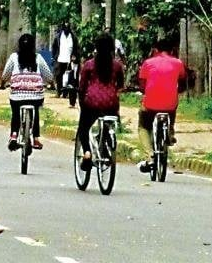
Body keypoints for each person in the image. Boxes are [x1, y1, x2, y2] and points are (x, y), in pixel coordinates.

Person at [137, 38, 187, 173]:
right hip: (170, 104)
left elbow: (142, 86)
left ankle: (150, 155)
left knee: (143, 126)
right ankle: (170, 131)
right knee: (173, 106)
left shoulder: (148, 63)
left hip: (150, 104)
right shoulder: (178, 63)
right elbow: (182, 83)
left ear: (156, 50)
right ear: (172, 50)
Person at [76, 32, 125, 170]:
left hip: (92, 103)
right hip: (111, 104)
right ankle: (107, 145)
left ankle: (87, 153)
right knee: (108, 124)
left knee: (83, 129)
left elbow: (82, 87)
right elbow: (120, 85)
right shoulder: (116, 66)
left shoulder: (89, 65)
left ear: (96, 47)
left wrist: (81, 102)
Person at [0, 34, 53, 151]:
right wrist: (52, 84)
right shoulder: (38, 58)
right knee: (36, 111)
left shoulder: (14, 57)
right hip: (36, 95)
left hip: (17, 95)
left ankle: (13, 135)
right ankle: (36, 138)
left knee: (15, 113)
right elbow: (48, 75)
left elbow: (5, 74)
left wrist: (2, 85)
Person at [51, 21, 79, 96]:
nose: (66, 28)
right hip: (60, 59)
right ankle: (59, 92)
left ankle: (66, 93)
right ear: (62, 28)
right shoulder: (58, 36)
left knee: (69, 77)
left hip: (69, 60)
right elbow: (54, 47)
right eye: (65, 27)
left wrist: (74, 55)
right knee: (58, 76)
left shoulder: (73, 37)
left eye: (68, 27)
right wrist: (54, 57)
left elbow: (76, 48)